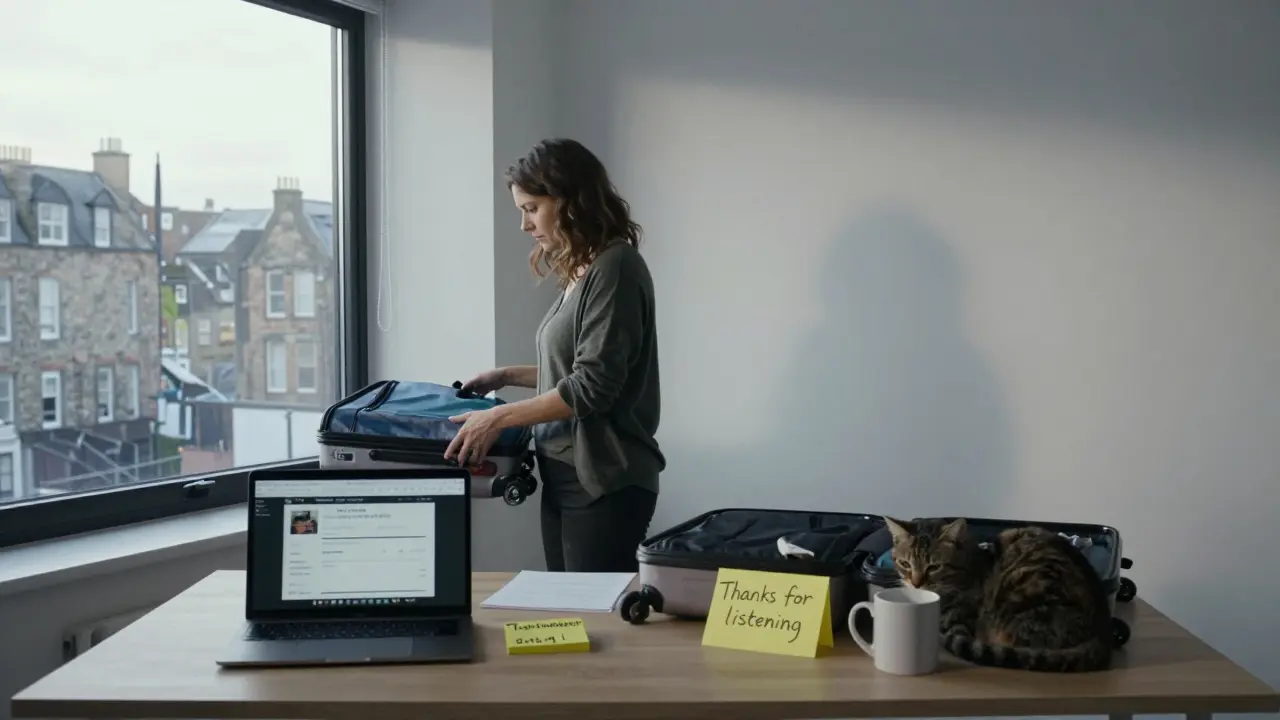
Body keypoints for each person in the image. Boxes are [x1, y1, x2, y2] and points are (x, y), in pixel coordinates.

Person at [444, 138, 664, 573]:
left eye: (531, 208)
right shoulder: (584, 270)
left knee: (593, 621)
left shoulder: (614, 268)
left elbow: (593, 387)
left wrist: (498, 418)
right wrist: (505, 375)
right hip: (565, 473)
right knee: (565, 611)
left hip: (603, 479)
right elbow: (574, 370)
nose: (525, 225)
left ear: (568, 200)